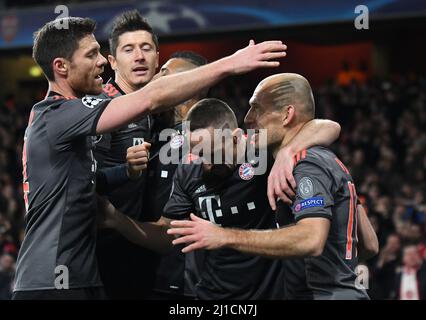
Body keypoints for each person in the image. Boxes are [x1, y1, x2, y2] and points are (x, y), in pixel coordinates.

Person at [13, 15, 287, 300]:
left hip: (84, 273)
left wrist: (126, 173)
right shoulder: (59, 115)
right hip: (53, 280)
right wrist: (230, 63)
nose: (101, 63)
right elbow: (148, 98)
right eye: (92, 54)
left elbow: (88, 182)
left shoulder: (70, 123)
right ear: (61, 67)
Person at [99, 96, 341, 299]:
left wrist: (289, 151)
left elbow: (328, 126)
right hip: (210, 294)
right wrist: (117, 220)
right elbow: (166, 236)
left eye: (212, 152)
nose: (205, 163)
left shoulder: (262, 154)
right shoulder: (189, 170)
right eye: (198, 154)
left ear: (236, 137)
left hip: (269, 293)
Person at [168, 73, 378, 300]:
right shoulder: (317, 159)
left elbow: (310, 240)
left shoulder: (306, 164)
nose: (247, 118)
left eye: (256, 108)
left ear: (287, 115)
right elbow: (369, 244)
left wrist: (225, 236)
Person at [93, 10, 160, 300]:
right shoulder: (105, 108)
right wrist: (126, 170)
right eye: (128, 49)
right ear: (112, 61)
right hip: (102, 247)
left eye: (146, 48)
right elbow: (85, 180)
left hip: (139, 242)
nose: (139, 56)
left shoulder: (152, 106)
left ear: (158, 56)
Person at [142, 51, 208, 299]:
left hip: (183, 280)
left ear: (191, 85)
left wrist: (115, 221)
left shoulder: (201, 139)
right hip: (154, 272)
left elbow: (169, 229)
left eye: (165, 73)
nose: (155, 76)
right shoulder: (158, 131)